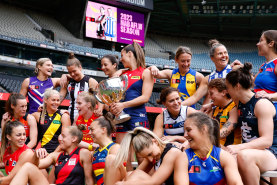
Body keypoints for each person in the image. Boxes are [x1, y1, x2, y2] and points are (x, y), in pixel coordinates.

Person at [225, 63, 277, 185]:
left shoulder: (261, 104)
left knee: (244, 155)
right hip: (252, 152)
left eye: (228, 88)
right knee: (225, 156)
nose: (226, 91)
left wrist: (237, 147)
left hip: (272, 152)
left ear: (237, 86)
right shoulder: (239, 103)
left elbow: (266, 141)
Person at [9, 126, 94, 185]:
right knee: (28, 166)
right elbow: (35, 166)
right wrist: (36, 155)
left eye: (63, 136)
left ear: (73, 139)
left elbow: (89, 180)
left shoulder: (83, 153)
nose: (60, 139)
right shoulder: (55, 156)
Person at [104, 127, 189, 185]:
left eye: (149, 154)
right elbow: (132, 175)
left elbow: (154, 182)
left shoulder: (172, 152)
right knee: (114, 161)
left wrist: (125, 184)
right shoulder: (154, 154)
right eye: (145, 157)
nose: (150, 159)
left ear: (155, 142)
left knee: (136, 176)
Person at [109, 42, 154, 143]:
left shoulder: (145, 72)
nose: (120, 59)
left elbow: (145, 98)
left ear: (130, 53)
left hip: (137, 116)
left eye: (122, 55)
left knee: (139, 153)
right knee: (121, 152)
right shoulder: (121, 73)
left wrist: (123, 105)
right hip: (121, 117)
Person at [184, 112, 243, 185]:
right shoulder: (184, 157)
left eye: (188, 130)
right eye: (184, 131)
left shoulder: (224, 157)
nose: (185, 135)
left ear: (203, 128)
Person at [181, 40, 233, 107]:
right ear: (212, 58)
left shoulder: (235, 70)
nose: (224, 56)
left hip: (234, 113)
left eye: (225, 53)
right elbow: (194, 98)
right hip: (217, 115)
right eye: (220, 53)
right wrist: (178, 105)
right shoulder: (208, 79)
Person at [60, 52, 103, 123]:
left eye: (74, 71)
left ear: (80, 67)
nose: (72, 74)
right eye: (70, 72)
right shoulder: (68, 81)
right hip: (70, 118)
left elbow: (99, 98)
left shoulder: (90, 81)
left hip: (86, 120)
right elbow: (60, 97)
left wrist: (100, 109)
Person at [32, 89, 71, 153]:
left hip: (58, 152)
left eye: (58, 100)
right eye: (53, 100)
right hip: (42, 152)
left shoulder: (64, 116)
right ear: (45, 100)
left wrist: (53, 155)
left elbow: (66, 140)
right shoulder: (37, 115)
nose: (56, 103)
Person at [208, 78, 241, 146]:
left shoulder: (234, 107)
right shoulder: (214, 109)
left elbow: (224, 132)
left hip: (231, 150)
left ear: (223, 92)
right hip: (216, 146)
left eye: (211, 94)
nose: (210, 97)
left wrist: (204, 137)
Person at [90, 116, 120, 185]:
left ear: (103, 130)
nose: (89, 133)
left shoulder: (115, 148)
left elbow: (119, 178)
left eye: (92, 130)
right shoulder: (95, 152)